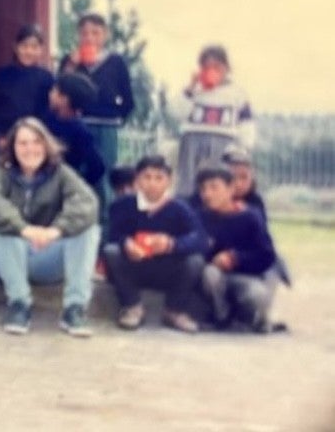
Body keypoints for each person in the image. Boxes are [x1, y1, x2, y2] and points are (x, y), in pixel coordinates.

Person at [0, 117, 100, 337]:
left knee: (88, 229)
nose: (30, 149)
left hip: (45, 253)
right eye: (22, 143)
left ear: (46, 144)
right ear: (12, 147)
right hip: (4, 258)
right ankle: (19, 305)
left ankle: (74, 308)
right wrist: (23, 229)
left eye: (36, 142)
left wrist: (57, 230)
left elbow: (86, 202)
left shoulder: (61, 172)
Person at [103, 156, 207, 333]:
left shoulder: (180, 208)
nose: (152, 183)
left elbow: (200, 239)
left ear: (169, 181)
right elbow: (110, 234)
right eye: (147, 177)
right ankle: (132, 306)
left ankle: (174, 310)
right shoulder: (123, 205)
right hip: (134, 266)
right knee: (111, 251)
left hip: (167, 269)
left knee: (195, 261)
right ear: (137, 180)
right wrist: (126, 242)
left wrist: (172, 244)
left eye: (159, 178)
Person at [60, 13, 134, 211]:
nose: (90, 38)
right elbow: (60, 89)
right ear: (78, 35)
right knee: (74, 174)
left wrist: (116, 117)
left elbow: (128, 98)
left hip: (106, 126)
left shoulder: (116, 62)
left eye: (95, 33)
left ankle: (104, 228)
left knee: (103, 177)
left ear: (105, 35)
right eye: (85, 33)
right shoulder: (70, 61)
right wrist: (72, 66)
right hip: (77, 124)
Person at [196, 166, 282, 333]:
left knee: (258, 296)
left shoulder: (250, 217)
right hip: (216, 274)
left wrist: (235, 258)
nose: (207, 194)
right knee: (210, 274)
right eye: (203, 189)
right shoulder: (200, 217)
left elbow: (266, 254)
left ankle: (250, 318)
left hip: (246, 275)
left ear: (230, 189)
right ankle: (221, 317)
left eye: (214, 187)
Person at [173, 45, 255, 196]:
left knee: (216, 180)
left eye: (217, 67)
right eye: (207, 67)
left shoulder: (237, 93)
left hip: (223, 141)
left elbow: (246, 124)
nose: (212, 71)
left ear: (226, 68)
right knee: (188, 182)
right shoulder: (194, 90)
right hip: (193, 140)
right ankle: (185, 209)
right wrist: (190, 88)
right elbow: (177, 112)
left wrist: (242, 148)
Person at [0, 24, 54, 144]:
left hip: (35, 139)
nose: (29, 51)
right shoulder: (2, 74)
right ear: (15, 47)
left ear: (41, 49)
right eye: (24, 46)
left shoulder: (47, 78)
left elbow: (48, 112)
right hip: (5, 138)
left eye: (34, 47)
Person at [43, 72, 106, 190]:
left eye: (55, 91)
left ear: (64, 99)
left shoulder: (80, 132)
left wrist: (77, 186)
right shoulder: (44, 118)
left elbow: (97, 167)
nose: (50, 93)